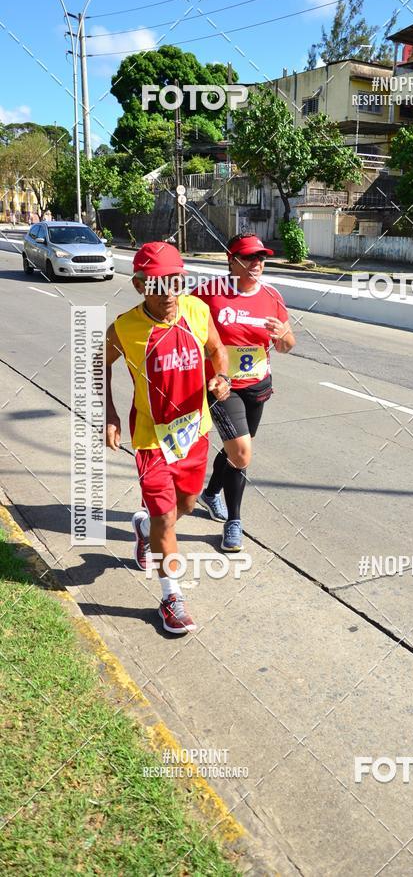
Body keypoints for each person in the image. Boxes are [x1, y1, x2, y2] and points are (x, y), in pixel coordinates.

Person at [105, 242, 231, 634]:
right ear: (140, 285)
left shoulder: (196, 311)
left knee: (186, 507)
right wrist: (109, 413)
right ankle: (171, 596)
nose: (170, 294)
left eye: (176, 282)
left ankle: (144, 531)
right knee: (164, 519)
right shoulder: (124, 328)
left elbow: (217, 349)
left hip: (194, 434)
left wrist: (222, 377)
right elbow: (98, 364)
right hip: (151, 440)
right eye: (159, 286)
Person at [194, 233, 296, 552]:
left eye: (261, 258)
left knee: (240, 448)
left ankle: (210, 493)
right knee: (241, 452)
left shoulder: (272, 297)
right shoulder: (208, 294)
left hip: (257, 385)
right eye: (249, 257)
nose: (257, 263)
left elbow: (288, 345)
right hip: (223, 387)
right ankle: (233, 522)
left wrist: (282, 338)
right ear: (231, 260)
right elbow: (182, 325)